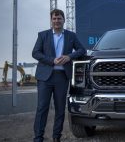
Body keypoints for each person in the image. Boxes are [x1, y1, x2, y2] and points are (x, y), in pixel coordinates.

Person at [32, 9, 86, 142]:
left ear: (63, 20)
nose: (57, 21)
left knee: (60, 108)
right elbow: (35, 53)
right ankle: (38, 137)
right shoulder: (43, 35)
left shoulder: (71, 36)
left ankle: (57, 137)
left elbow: (82, 50)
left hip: (62, 77)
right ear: (51, 20)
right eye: (54, 19)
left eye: (59, 18)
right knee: (42, 108)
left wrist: (69, 57)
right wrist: (51, 60)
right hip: (45, 77)